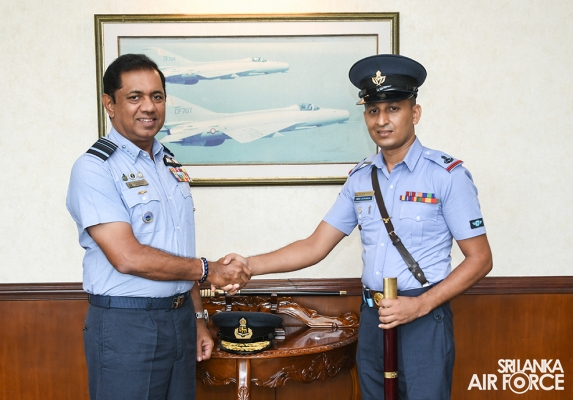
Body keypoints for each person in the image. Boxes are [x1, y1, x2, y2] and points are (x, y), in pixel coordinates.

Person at [235, 54, 492, 399]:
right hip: (373, 316)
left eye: (393, 109)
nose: (381, 120)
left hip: (422, 316)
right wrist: (248, 266)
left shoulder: (446, 175)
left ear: (415, 113)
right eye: (373, 111)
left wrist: (420, 305)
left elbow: (480, 259)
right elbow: (315, 245)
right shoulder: (360, 178)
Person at [66, 53, 250, 400]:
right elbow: (127, 257)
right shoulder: (95, 169)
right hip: (127, 325)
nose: (148, 107)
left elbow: (179, 252)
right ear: (110, 104)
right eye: (134, 97)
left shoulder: (168, 164)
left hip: (179, 321)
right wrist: (209, 270)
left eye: (157, 96)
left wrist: (197, 319)